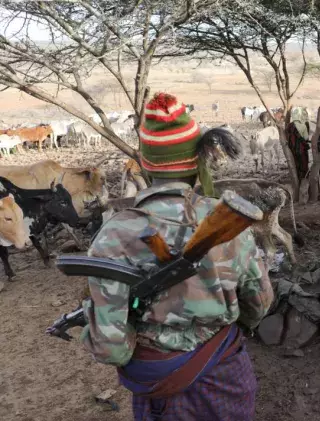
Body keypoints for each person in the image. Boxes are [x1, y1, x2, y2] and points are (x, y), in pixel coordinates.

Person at [80, 92, 274, 421]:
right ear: (196, 162)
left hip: (160, 385)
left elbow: (112, 348)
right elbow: (259, 305)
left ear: (145, 162)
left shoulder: (113, 235)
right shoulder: (231, 224)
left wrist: (96, 329)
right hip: (225, 376)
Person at [286, 106, 311, 185]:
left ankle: (296, 179)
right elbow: (306, 138)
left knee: (295, 164)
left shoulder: (289, 126)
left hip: (292, 150)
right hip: (301, 149)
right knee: (303, 164)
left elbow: (286, 136)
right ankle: (303, 179)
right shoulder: (303, 125)